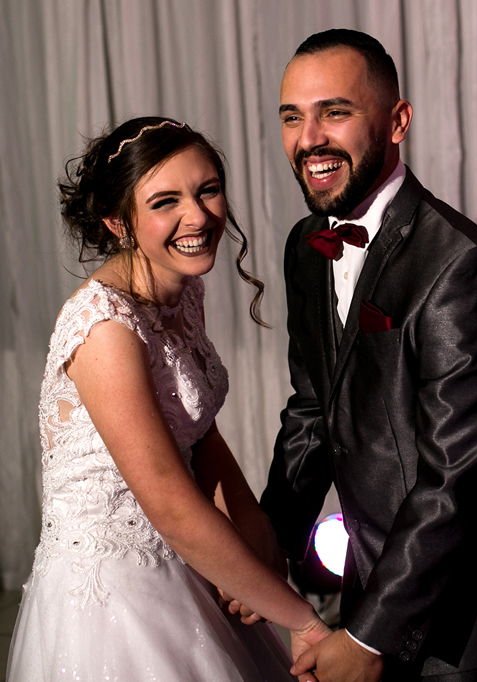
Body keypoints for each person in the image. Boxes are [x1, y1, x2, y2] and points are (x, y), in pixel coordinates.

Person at [258, 29, 477, 681]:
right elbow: (313, 410)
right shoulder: (305, 244)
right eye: (292, 116)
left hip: (469, 619)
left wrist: (367, 639)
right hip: (373, 581)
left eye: (334, 112)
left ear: (397, 122)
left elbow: (459, 479)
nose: (309, 138)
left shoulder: (462, 268)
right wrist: (265, 545)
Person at [6, 116, 332, 681]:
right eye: (165, 201)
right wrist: (300, 619)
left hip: (186, 560)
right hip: (114, 593)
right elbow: (169, 504)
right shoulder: (104, 327)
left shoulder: (181, 293)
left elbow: (199, 433)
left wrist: (262, 550)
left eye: (207, 189)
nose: (199, 216)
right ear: (117, 222)